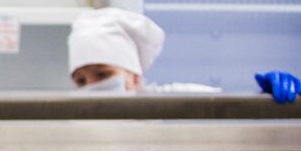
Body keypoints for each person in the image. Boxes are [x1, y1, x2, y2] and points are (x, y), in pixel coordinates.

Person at [68, 7, 221, 94]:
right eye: (81, 81)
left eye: (102, 74)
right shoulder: (73, 129)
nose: (91, 85)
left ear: (135, 77)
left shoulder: (170, 111)